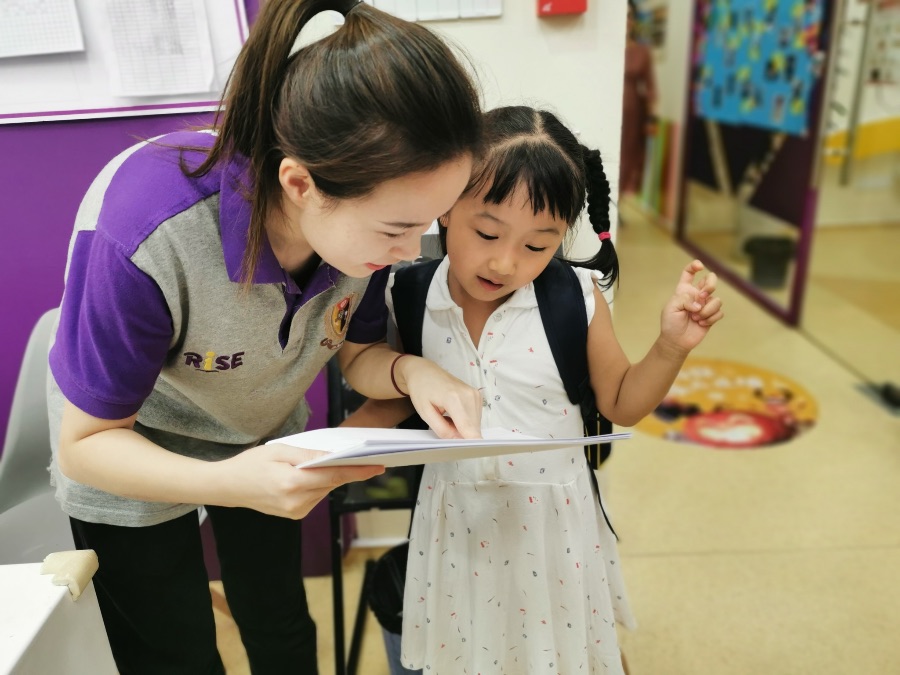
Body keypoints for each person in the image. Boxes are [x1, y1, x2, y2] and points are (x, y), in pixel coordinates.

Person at [46, 1, 485, 673]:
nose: (410, 252)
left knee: (281, 626)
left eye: (429, 224)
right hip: (126, 447)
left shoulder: (358, 236)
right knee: (176, 652)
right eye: (397, 229)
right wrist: (224, 480)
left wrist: (410, 374)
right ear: (300, 184)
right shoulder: (148, 232)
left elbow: (358, 352)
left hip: (261, 435)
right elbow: (86, 445)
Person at [377, 105, 724, 674]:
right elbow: (389, 389)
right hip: (456, 520)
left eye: (537, 246)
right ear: (445, 206)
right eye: (487, 232)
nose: (504, 261)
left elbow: (622, 403)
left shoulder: (575, 298)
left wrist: (670, 346)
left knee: (562, 654)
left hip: (552, 527)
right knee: (468, 653)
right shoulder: (409, 294)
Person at [619, 0, 657, 200]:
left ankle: (619, 202)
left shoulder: (642, 52)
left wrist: (651, 119)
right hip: (609, 110)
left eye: (630, 16)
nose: (626, 20)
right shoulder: (607, 49)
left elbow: (650, 88)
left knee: (628, 155)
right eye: (622, 15)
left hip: (633, 114)